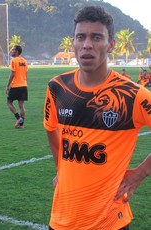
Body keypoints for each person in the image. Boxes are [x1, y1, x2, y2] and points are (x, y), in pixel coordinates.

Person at [43, 6, 151, 230]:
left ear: (110, 45)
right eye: (80, 37)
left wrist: (140, 174)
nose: (87, 45)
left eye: (96, 37)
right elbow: (50, 128)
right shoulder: (57, 88)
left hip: (109, 222)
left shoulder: (132, 95)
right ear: (73, 43)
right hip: (62, 220)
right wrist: (60, 170)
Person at [5, 45, 28, 128]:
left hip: (16, 85)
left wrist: (7, 85)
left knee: (9, 102)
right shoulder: (24, 61)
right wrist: (25, 83)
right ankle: (21, 125)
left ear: (17, 52)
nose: (12, 51)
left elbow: (12, 73)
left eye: (13, 50)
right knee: (21, 105)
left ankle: (18, 118)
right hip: (24, 85)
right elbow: (26, 74)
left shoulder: (14, 60)